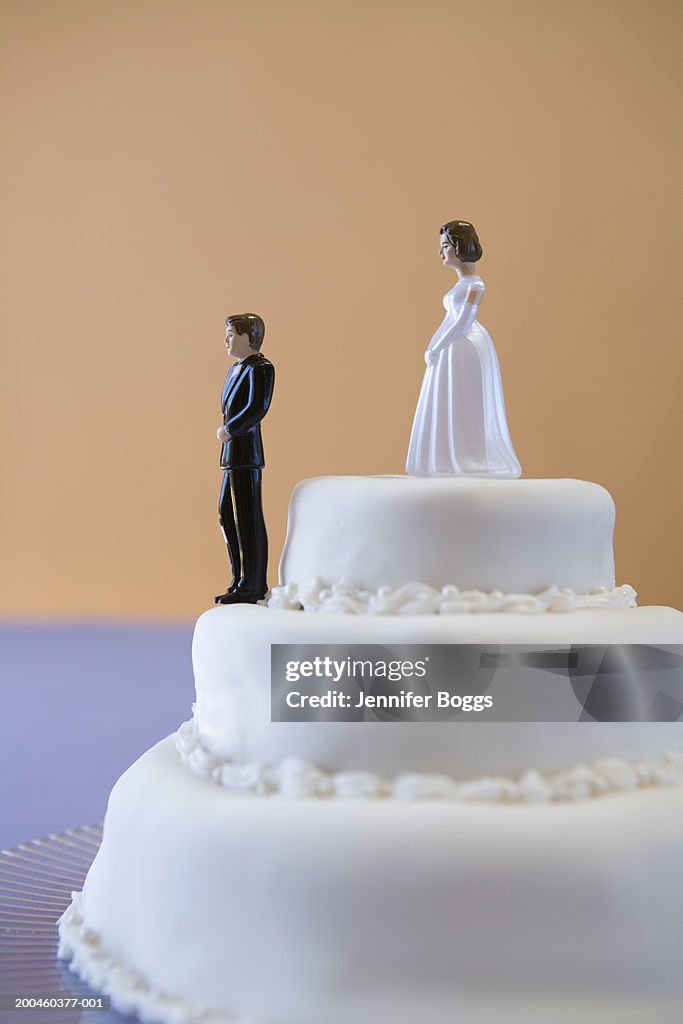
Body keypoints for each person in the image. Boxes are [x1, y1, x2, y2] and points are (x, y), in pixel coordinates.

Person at [406, 220, 521, 478]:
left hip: (466, 345)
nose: (441, 253)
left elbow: (462, 321)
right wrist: (435, 343)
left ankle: (469, 457)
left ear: (459, 247)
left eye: (445, 246)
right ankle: (445, 457)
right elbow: (450, 320)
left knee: (466, 400)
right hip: (452, 344)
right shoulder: (460, 286)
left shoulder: (474, 286)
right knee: (451, 397)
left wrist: (437, 343)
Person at [215, 313, 275, 604]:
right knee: (227, 515)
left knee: (247, 519)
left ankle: (253, 584)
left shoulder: (261, 369)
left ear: (248, 337)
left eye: (231, 335)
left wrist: (229, 429)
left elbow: (256, 408)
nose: (226, 340)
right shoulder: (233, 371)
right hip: (230, 455)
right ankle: (238, 579)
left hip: (247, 453)